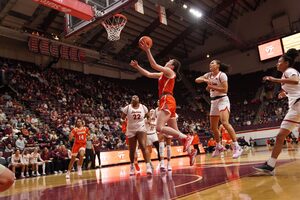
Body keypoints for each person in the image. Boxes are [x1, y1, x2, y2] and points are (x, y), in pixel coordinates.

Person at [130, 42, 197, 166]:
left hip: (167, 99)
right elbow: (149, 74)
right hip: (167, 100)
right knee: (175, 131)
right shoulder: (163, 74)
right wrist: (137, 67)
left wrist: (148, 50)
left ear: (172, 66)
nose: (167, 62)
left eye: (169, 61)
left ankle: (186, 137)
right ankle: (190, 152)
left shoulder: (170, 72)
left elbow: (153, 65)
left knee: (159, 128)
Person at [254, 49, 300, 175]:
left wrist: (274, 80)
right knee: (280, 136)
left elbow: (295, 81)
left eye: (279, 61)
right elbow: (296, 86)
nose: (277, 64)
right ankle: (270, 165)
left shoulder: (289, 71)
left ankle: (270, 164)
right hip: (295, 107)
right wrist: (284, 93)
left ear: (286, 63)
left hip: (298, 105)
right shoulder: (286, 74)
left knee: (281, 136)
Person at [195, 60, 243, 159]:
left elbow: (225, 89)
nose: (210, 64)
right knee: (213, 127)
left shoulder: (222, 75)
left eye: (213, 63)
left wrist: (211, 86)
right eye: (210, 63)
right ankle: (218, 146)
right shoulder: (208, 75)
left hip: (222, 100)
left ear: (218, 65)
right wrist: (204, 80)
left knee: (225, 122)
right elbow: (197, 80)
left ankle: (237, 147)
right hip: (213, 102)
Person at [121, 95, 152, 175]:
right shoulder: (127, 108)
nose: (135, 97)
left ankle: (148, 166)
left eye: (136, 97)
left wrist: (148, 120)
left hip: (141, 128)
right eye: (133, 97)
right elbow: (122, 118)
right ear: (131, 100)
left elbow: (148, 116)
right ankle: (132, 166)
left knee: (143, 145)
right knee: (132, 150)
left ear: (139, 100)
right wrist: (123, 122)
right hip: (131, 129)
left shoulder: (143, 107)